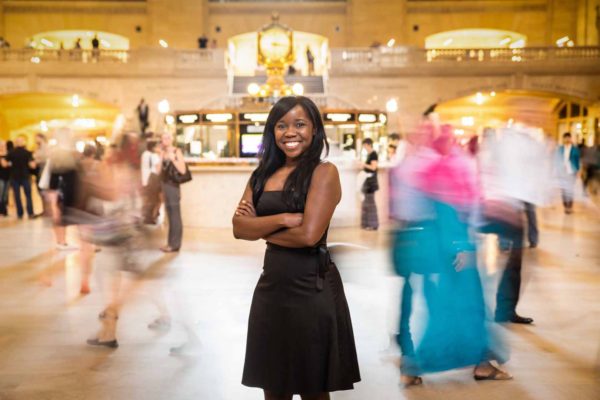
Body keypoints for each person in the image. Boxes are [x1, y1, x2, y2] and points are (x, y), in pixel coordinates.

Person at [233, 96, 360, 399]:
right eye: (281, 125)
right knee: (273, 387)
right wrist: (285, 218)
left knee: (312, 388)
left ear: (315, 129)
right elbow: (239, 228)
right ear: (271, 132)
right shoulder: (261, 175)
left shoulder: (324, 172)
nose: (290, 132)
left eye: (300, 124)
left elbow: (308, 236)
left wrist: (261, 228)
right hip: (272, 289)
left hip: (312, 289)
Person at [391, 122, 510, 386]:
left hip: (428, 242)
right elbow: (450, 208)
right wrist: (462, 246)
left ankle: (420, 363)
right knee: (462, 306)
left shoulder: (420, 164)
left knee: (442, 303)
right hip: (450, 245)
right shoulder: (443, 165)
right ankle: (420, 364)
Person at [159, 132, 186, 252]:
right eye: (163, 138)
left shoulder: (176, 151)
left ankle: (175, 244)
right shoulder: (162, 153)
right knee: (169, 215)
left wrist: (173, 158)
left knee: (175, 215)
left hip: (173, 187)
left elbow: (182, 170)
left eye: (167, 137)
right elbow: (159, 172)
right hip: (165, 186)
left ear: (171, 139)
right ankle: (170, 243)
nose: (165, 140)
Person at [1, 136, 36, 219]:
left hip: (14, 177)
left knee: (17, 196)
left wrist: (10, 163)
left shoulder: (11, 152)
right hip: (25, 176)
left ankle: (20, 214)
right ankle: (30, 213)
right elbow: (33, 165)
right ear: (24, 142)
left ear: (16, 143)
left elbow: (4, 164)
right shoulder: (28, 152)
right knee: (28, 195)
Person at [556, 132, 580, 214]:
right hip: (562, 173)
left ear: (570, 139)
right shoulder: (560, 149)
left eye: (568, 138)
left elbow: (577, 161)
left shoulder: (575, 150)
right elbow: (557, 160)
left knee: (570, 190)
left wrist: (577, 171)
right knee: (563, 190)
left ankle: (569, 206)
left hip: (571, 172)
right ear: (563, 139)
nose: (567, 139)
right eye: (565, 138)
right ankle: (565, 206)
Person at [141, 140, 161, 224]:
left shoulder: (144, 154)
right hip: (153, 178)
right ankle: (152, 216)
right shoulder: (154, 156)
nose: (159, 148)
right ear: (153, 147)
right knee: (156, 199)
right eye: (157, 146)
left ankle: (148, 216)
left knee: (149, 198)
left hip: (145, 179)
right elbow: (158, 169)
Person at [360, 138, 379, 230]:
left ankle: (373, 225)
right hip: (368, 182)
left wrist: (364, 165)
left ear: (368, 144)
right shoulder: (369, 154)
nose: (364, 147)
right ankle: (367, 224)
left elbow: (374, 167)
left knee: (370, 203)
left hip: (371, 182)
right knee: (367, 203)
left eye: (364, 145)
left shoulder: (373, 154)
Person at [33, 133, 48, 216]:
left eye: (36, 138)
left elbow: (46, 158)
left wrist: (36, 161)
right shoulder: (37, 148)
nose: (35, 140)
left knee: (44, 191)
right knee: (40, 191)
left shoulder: (46, 147)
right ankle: (44, 209)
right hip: (38, 171)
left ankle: (47, 210)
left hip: (44, 172)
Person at [0, 140, 10, 216]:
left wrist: (7, 163)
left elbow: (9, 164)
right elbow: (4, 165)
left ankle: (4, 210)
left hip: (8, 177)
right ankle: (1, 210)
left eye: (3, 145)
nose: (2, 146)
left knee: (6, 195)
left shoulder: (9, 154)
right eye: (1, 145)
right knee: (0, 194)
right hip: (0, 177)